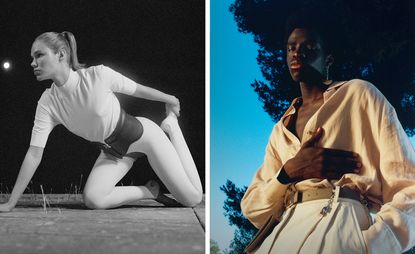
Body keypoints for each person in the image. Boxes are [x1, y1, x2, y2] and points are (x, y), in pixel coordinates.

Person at [241, 10, 415, 254]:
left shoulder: (360, 94)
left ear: (329, 59)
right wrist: (289, 171)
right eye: (291, 47)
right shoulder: (280, 129)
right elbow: (253, 209)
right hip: (281, 237)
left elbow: (409, 187)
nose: (297, 53)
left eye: (308, 46)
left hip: (341, 226)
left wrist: (371, 245)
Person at [0, 31, 203, 211]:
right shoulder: (47, 102)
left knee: (191, 198)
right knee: (93, 199)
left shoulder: (97, 75)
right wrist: (11, 203)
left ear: (61, 54)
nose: (33, 63)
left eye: (39, 55)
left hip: (144, 136)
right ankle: (149, 192)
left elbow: (138, 89)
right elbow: (34, 154)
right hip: (113, 153)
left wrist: (170, 100)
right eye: (32, 57)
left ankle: (172, 128)